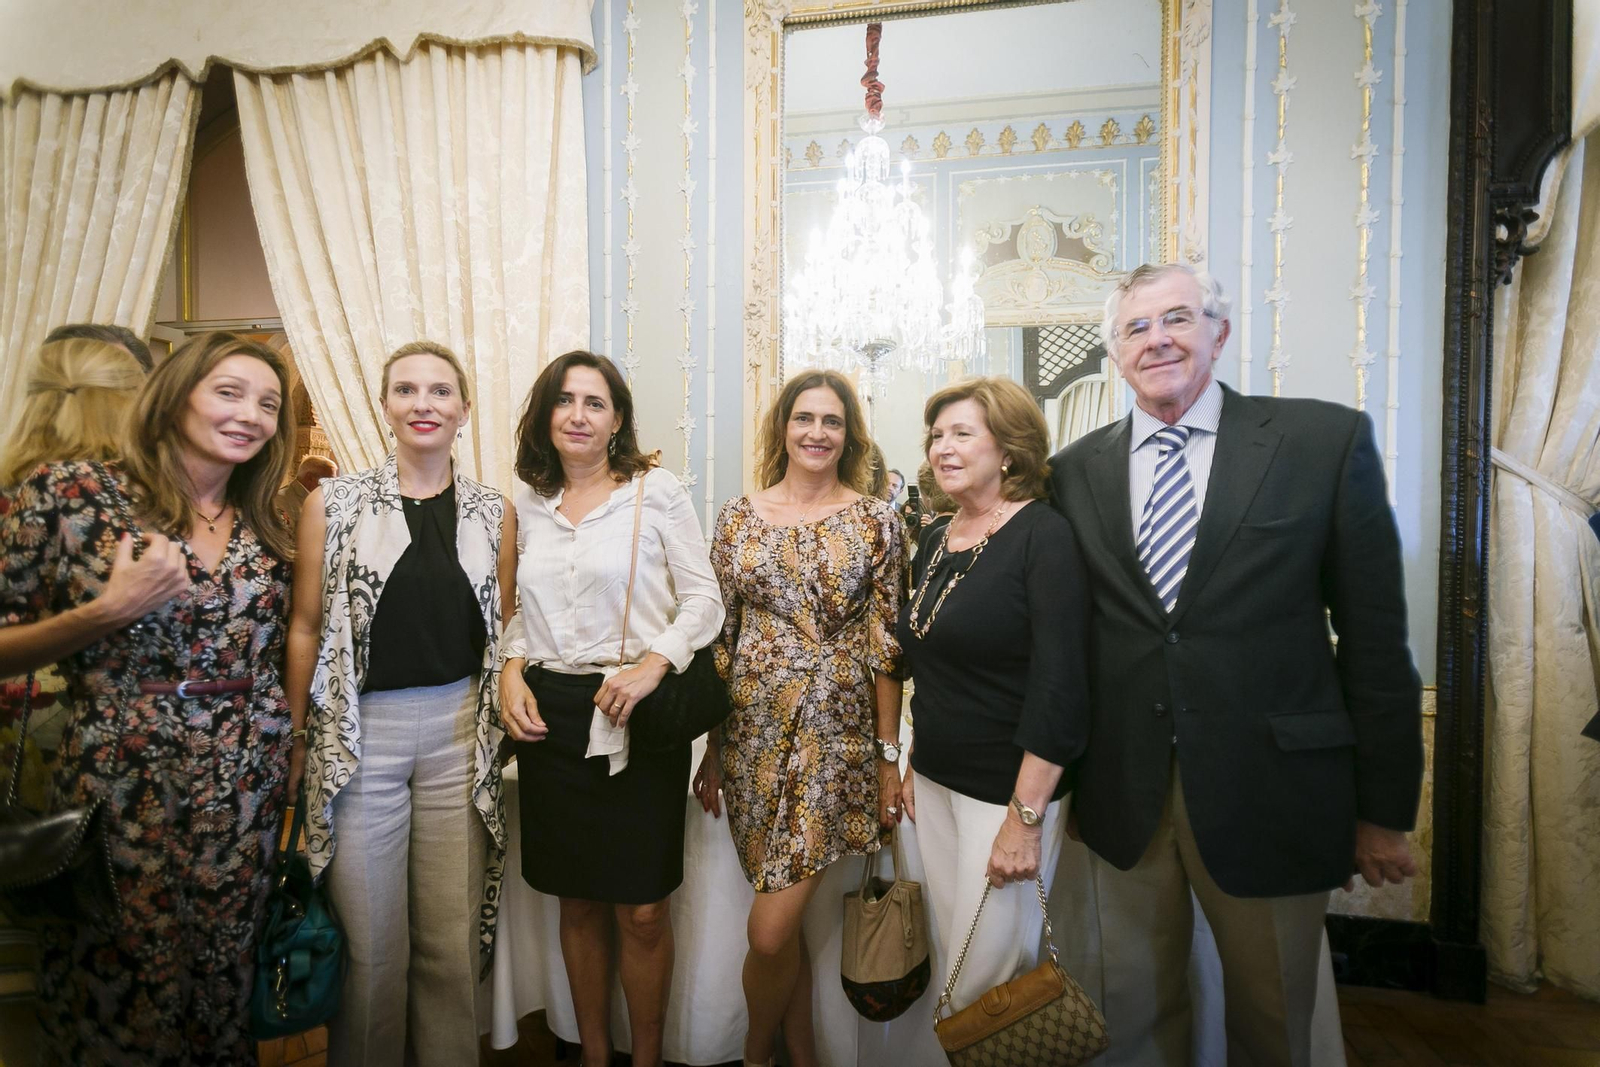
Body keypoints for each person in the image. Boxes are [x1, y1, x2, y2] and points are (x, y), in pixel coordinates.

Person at [1048, 262, 1423, 1065]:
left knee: (1273, 1020)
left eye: (1178, 318)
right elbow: (1073, 642)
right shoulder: (1072, 472)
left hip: (1273, 792)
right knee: (1134, 1015)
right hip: (1124, 794)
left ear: (1219, 333)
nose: (1158, 340)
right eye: (1137, 327)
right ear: (1115, 354)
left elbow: (1376, 638)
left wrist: (1382, 809)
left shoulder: (1321, 442)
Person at [0, 331, 295, 1064]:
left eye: (268, 404)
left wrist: (292, 746)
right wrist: (107, 611)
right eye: (229, 392)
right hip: (123, 776)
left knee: (224, 973)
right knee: (123, 976)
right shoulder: (74, 492)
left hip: (244, 783)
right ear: (174, 393)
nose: (250, 415)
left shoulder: (269, 519)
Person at [285, 340, 515, 1065]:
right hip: (362, 736)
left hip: (459, 733)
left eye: (440, 391)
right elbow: (305, 627)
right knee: (371, 946)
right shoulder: (334, 504)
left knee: (450, 943)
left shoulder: (494, 513)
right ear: (385, 405)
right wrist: (296, 737)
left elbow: (506, 631)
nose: (424, 404)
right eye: (407, 389)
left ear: (464, 410)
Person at [498, 350, 723, 1067]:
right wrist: (510, 668)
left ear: (618, 418)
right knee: (577, 900)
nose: (578, 415)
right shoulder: (526, 502)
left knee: (644, 910)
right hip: (553, 718)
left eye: (595, 402)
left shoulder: (657, 492)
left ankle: (646, 1059)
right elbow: (515, 611)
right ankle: (595, 1056)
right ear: (546, 416)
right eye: (564, 400)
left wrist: (655, 663)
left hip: (637, 710)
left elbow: (705, 600)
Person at [694, 369, 906, 1067]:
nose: (817, 432)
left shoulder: (877, 520)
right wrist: (712, 749)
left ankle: (755, 1056)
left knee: (768, 930)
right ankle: (803, 1055)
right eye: (804, 418)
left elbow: (887, 648)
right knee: (780, 922)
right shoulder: (737, 517)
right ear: (782, 427)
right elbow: (721, 639)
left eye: (832, 421)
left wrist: (887, 759)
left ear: (849, 435)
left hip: (834, 738)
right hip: (750, 737)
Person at [897, 376, 1091, 1013]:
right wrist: (914, 762)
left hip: (1006, 793)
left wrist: (1024, 819)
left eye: (962, 433)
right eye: (936, 436)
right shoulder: (937, 536)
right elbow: (935, 664)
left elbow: (1061, 688)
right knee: (952, 966)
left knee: (987, 989)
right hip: (935, 780)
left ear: (1009, 449)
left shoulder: (1044, 536)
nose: (942, 448)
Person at [275, 453, 338, 533]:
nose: (332, 486)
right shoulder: (280, 501)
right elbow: (282, 537)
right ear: (310, 478)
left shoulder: (323, 500)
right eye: (329, 481)